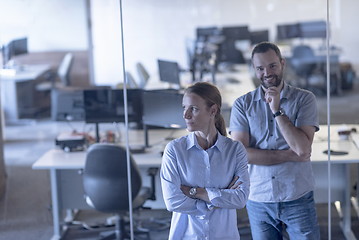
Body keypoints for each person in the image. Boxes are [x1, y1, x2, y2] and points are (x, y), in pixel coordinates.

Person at [229, 41, 320, 239]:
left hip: (297, 195)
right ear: (254, 69)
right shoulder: (242, 105)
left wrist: (277, 110)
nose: (267, 73)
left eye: (272, 66)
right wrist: (289, 154)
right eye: (260, 68)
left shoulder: (305, 99)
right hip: (259, 197)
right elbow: (241, 154)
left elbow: (303, 150)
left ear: (282, 63)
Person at [160, 82, 250, 240]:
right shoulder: (174, 150)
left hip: (224, 235)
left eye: (193, 109)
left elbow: (240, 199)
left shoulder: (235, 151)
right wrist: (219, 198)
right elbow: (173, 202)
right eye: (184, 108)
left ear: (213, 110)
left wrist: (195, 192)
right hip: (187, 235)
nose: (186, 115)